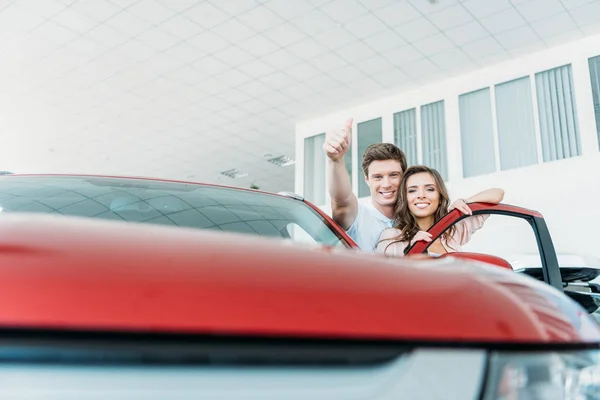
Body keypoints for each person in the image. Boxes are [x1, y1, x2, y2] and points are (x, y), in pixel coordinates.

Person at [376, 165, 504, 257]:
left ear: (440, 197)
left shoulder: (452, 230)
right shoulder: (392, 236)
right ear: (405, 198)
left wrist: (466, 201)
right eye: (412, 190)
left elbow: (497, 194)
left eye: (430, 189)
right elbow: (383, 280)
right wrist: (412, 251)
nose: (421, 195)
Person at [322, 118, 407, 252]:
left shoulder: (415, 218)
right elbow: (341, 202)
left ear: (404, 177)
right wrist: (335, 160)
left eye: (393, 175)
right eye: (378, 177)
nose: (386, 184)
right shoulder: (359, 216)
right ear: (367, 179)